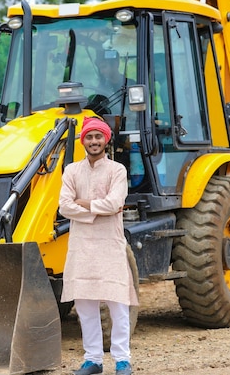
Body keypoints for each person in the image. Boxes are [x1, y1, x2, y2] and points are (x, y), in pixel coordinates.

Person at [59, 116, 139, 375]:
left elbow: (115, 203)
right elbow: (64, 206)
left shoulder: (117, 170)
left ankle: (122, 360)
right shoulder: (71, 170)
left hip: (109, 243)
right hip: (81, 245)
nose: (94, 141)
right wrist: (95, 208)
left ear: (106, 139)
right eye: (89, 137)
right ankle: (93, 360)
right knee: (84, 305)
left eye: (98, 136)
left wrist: (84, 205)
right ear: (83, 140)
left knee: (118, 302)